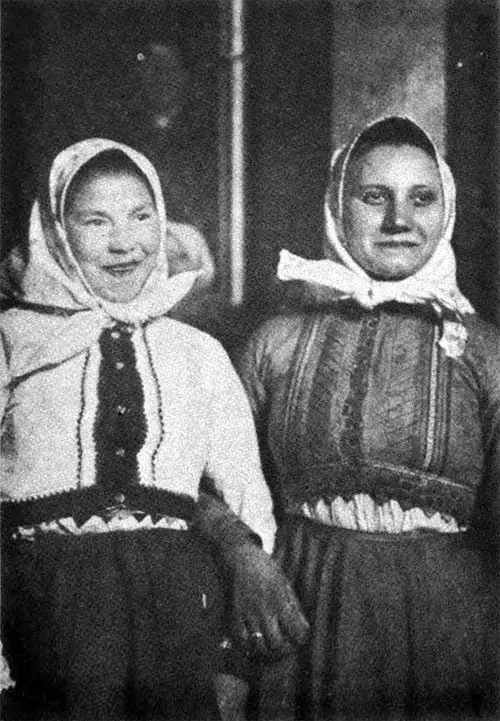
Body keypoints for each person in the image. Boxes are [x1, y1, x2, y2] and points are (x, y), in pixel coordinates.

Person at [0, 138, 308, 721]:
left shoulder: (197, 353)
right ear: (56, 232)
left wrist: (232, 661)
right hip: (51, 612)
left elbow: (246, 494)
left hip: (176, 610)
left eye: (141, 216)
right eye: (95, 220)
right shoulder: (14, 340)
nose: (125, 242)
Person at [232, 116, 500, 720]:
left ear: (446, 208)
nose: (399, 220)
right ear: (336, 205)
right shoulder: (275, 341)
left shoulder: (484, 351)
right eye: (374, 197)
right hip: (304, 605)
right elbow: (204, 478)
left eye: (421, 198)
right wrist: (245, 559)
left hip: (446, 624)